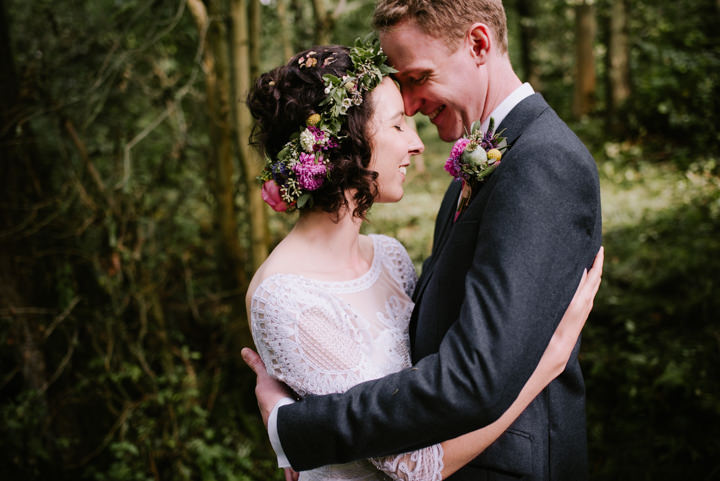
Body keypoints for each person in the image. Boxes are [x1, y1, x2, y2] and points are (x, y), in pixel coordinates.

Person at [242, 33, 602, 481]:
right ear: (342, 143)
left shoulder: (390, 258)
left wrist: (295, 430)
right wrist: (545, 363)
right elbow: (410, 467)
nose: (417, 142)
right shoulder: (284, 294)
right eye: (396, 125)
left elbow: (438, 373)